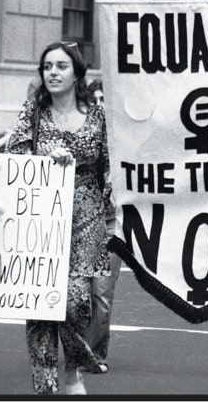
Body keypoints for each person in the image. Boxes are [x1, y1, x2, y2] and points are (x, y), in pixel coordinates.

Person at [6, 42, 110, 394]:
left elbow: (110, 167)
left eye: (61, 66)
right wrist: (45, 157)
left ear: (77, 73)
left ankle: (72, 370)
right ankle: (45, 384)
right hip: (41, 218)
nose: (52, 72)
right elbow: (14, 156)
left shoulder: (97, 116)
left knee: (76, 300)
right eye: (47, 66)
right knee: (39, 302)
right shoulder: (32, 113)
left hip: (86, 218)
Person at [84, 77, 119, 374]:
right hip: (80, 224)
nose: (99, 106)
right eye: (94, 100)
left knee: (102, 295)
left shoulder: (126, 142)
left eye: (104, 100)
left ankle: (95, 354)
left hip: (113, 224)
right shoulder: (80, 139)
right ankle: (77, 346)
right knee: (78, 294)